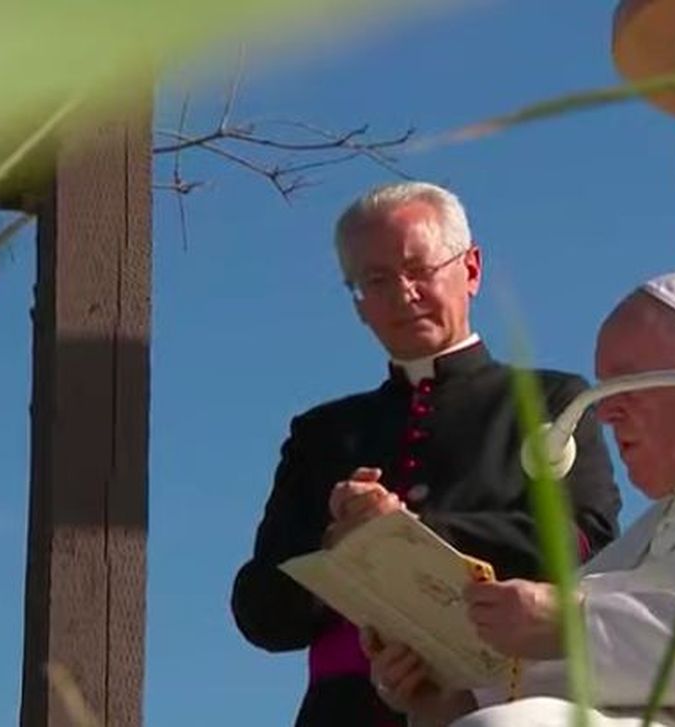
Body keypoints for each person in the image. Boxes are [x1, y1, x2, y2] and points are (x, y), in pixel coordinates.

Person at [364, 272, 675, 726]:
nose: (608, 411)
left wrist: (573, 625)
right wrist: (447, 692)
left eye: (627, 383)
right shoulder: (642, 536)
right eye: (604, 387)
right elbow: (570, 659)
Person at [231, 181, 624, 726]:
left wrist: (404, 531)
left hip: (501, 705)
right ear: (358, 305)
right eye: (375, 280)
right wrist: (337, 545)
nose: (403, 293)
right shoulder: (322, 434)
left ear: (471, 269)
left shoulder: (550, 400)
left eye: (419, 270)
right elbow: (261, 614)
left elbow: (586, 542)